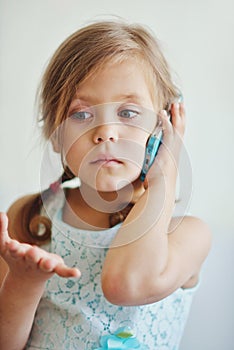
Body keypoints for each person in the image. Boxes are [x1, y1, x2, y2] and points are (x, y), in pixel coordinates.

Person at [0, 19, 211, 350]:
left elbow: (126, 285)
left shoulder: (187, 236)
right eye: (81, 114)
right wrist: (24, 282)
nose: (106, 132)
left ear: (164, 126)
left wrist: (164, 176)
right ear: (55, 136)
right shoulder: (31, 218)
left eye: (128, 113)